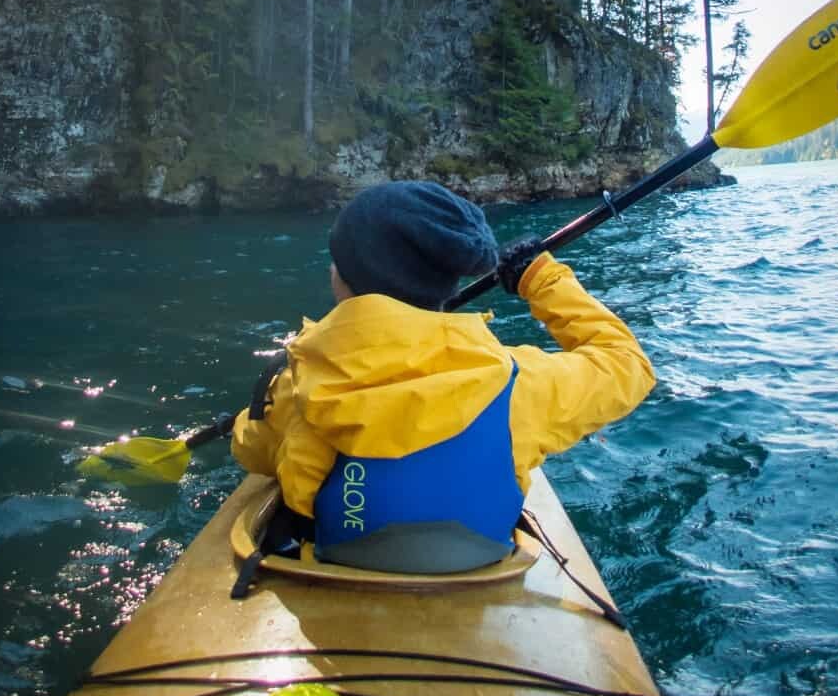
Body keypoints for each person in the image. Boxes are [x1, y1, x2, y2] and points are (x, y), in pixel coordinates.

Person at [231, 180, 655, 574]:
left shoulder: (298, 386)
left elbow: (249, 450)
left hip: (336, 572)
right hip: (480, 574)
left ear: (342, 282)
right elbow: (629, 364)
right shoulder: (521, 384)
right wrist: (541, 279)